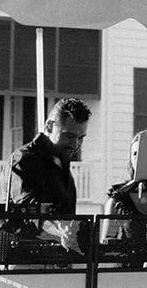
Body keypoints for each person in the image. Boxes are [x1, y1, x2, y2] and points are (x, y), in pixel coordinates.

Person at [6, 97, 91, 251]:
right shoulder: (23, 160)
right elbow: (29, 211)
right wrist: (61, 232)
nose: (75, 145)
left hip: (59, 258)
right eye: (69, 136)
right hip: (26, 260)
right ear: (49, 126)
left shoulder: (60, 163)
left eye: (81, 138)